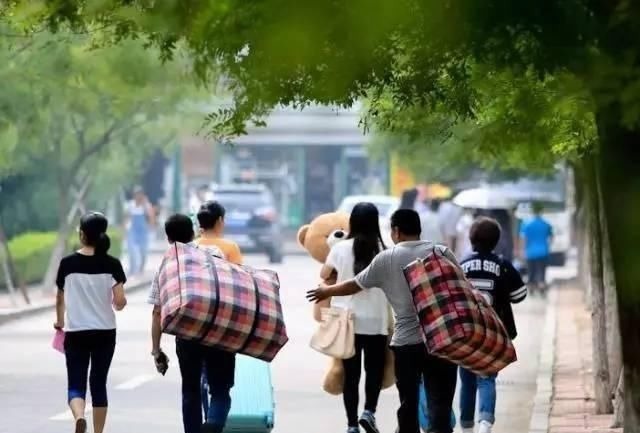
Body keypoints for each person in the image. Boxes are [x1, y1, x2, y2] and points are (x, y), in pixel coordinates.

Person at [307, 209, 459, 433]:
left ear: (396, 231)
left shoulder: (387, 258)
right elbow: (461, 288)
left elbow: (355, 284)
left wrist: (326, 291)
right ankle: (379, 414)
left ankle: (360, 425)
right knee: (441, 402)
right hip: (440, 337)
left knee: (407, 401)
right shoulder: (442, 252)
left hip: (406, 342)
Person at [149, 214, 236, 433]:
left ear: (168, 239)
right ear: (193, 233)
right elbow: (228, 290)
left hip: (187, 336)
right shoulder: (214, 254)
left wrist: (156, 349)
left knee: (190, 390)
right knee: (220, 390)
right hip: (218, 332)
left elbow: (157, 311)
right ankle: (213, 425)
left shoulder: (166, 266)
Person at [319, 202, 390, 433]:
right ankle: (369, 412)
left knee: (351, 375)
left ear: (352, 223)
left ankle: (351, 425)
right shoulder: (384, 251)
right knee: (374, 371)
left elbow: (325, 274)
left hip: (347, 321)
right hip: (376, 320)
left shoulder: (340, 249)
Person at [54, 212, 127, 433]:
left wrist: (59, 322)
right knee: (98, 383)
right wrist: (117, 304)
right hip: (105, 332)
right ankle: (97, 432)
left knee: (76, 382)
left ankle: (78, 417)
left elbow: (60, 298)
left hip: (76, 332)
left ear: (82, 234)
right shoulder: (112, 264)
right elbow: (120, 301)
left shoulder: (67, 264)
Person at [458, 217, 527, 433]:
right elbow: (520, 295)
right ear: (496, 241)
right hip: (493, 334)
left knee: (467, 380)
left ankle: (466, 426)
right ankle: (485, 423)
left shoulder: (460, 264)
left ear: (471, 239)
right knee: (487, 377)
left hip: (466, 333)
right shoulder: (502, 264)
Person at [519, 202, 553, 295]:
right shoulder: (546, 224)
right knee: (542, 272)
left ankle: (531, 289)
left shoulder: (526, 224)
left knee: (531, 272)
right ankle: (541, 286)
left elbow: (524, 239)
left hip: (530, 252)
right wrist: (547, 246)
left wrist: (522, 251)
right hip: (543, 252)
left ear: (532, 211)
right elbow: (551, 238)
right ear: (541, 211)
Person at [195, 201, 243, 265]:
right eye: (224, 219)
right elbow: (238, 273)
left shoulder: (192, 245)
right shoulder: (231, 247)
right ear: (220, 220)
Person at [125, 186, 155, 275]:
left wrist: (151, 227)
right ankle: (132, 269)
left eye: (140, 194)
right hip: (133, 230)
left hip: (143, 231)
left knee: (143, 251)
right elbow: (127, 217)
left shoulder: (146, 205)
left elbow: (151, 217)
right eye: (136, 194)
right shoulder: (130, 205)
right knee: (131, 250)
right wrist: (125, 230)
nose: (138, 196)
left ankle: (141, 268)